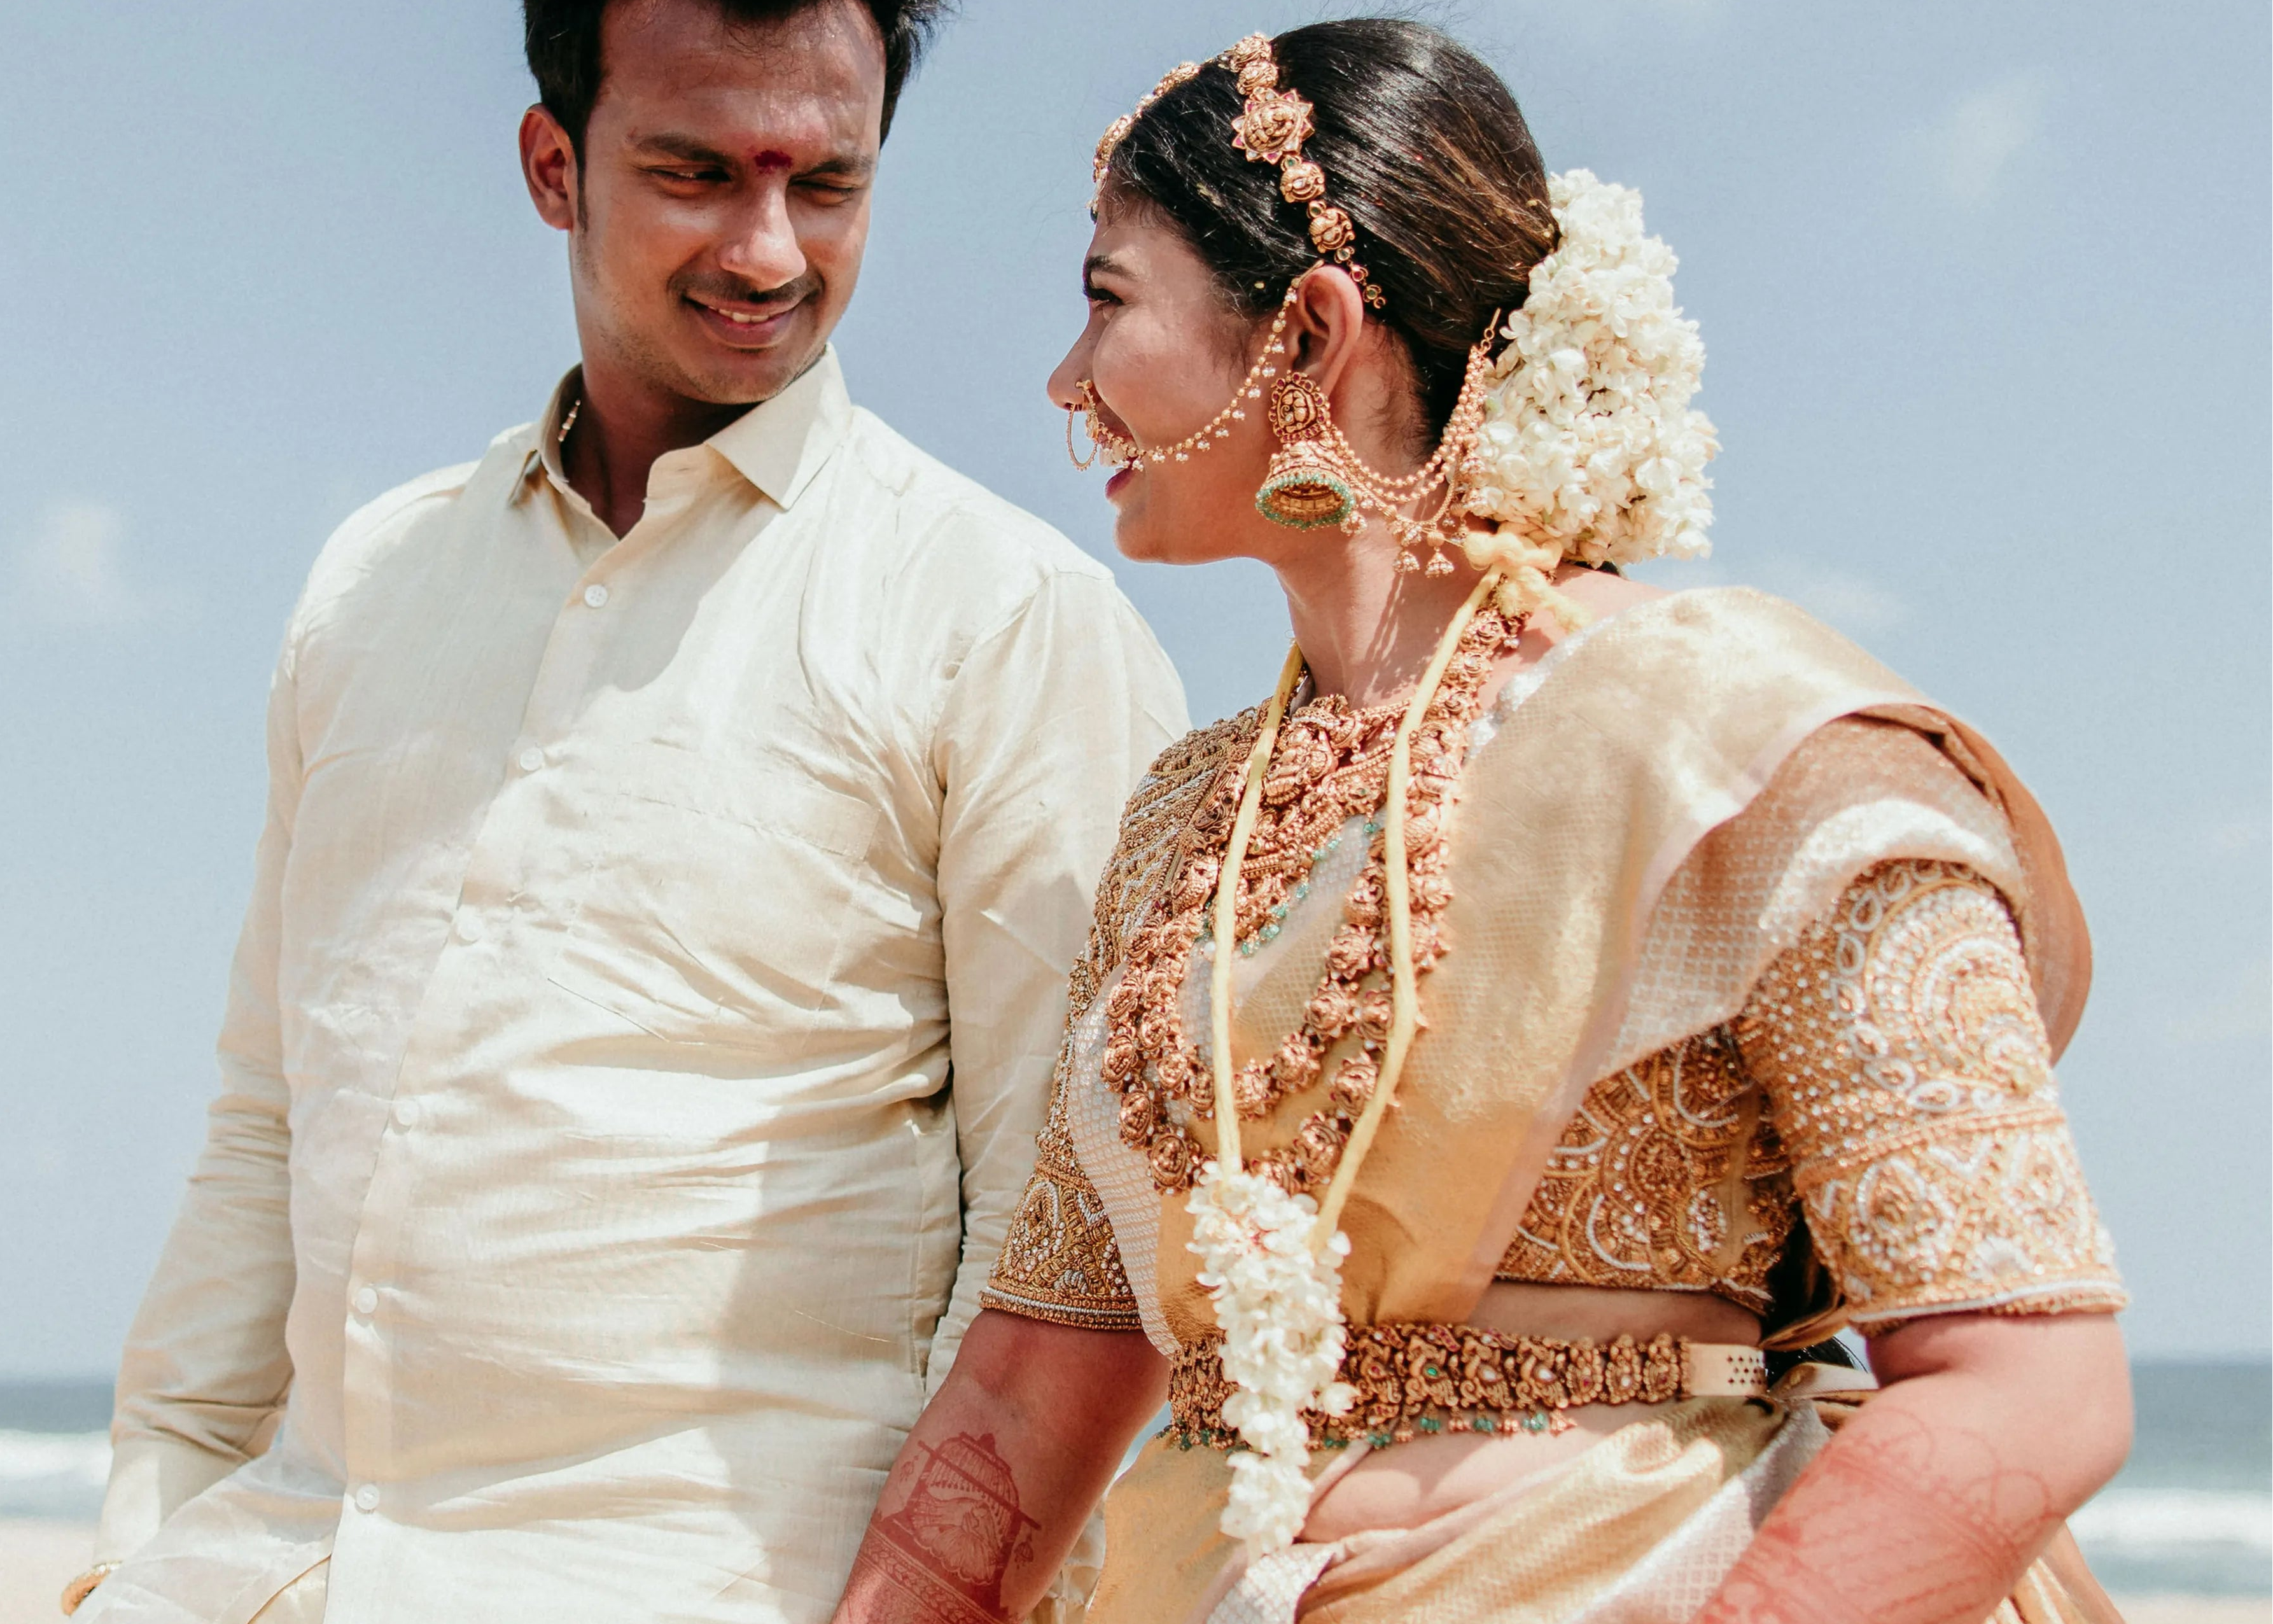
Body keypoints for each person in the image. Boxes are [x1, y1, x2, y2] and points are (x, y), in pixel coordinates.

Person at [831, 20, 2134, 1624]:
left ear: (1308, 333)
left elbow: (2028, 1388)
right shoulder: (1188, 817)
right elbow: (1031, 1389)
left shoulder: (1736, 745)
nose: (1064, 379)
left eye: (1107, 300)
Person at [63, 2, 1185, 1620]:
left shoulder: (1003, 621)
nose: (769, 250)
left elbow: (1065, 1236)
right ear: (552, 167)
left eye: (826, 183)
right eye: (695, 173)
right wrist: (146, 1541)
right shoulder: (376, 586)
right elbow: (270, 1114)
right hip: (273, 1569)